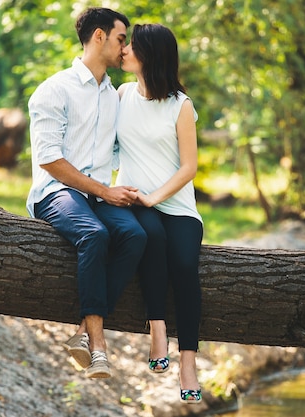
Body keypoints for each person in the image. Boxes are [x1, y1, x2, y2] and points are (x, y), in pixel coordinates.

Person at [26, 7, 147, 379]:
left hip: (96, 195)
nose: (124, 48)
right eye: (120, 38)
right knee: (94, 235)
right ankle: (100, 346)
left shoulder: (115, 97)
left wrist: (120, 191)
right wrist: (103, 191)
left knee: (134, 235)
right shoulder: (54, 89)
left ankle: (83, 328)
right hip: (55, 193)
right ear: (99, 36)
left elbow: (115, 152)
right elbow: (49, 159)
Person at [115, 23, 203, 403]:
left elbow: (189, 167)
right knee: (151, 239)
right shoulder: (120, 95)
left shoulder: (180, 105)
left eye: (130, 46)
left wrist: (156, 198)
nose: (123, 51)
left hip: (176, 204)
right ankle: (156, 331)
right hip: (135, 201)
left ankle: (188, 361)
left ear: (148, 55)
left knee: (184, 264)